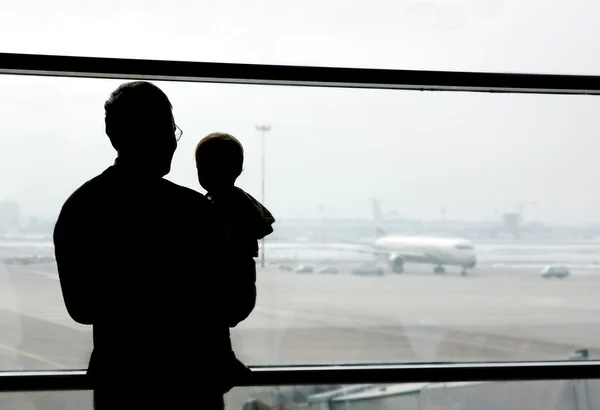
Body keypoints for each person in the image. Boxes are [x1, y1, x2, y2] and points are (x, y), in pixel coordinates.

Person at [53, 82, 241, 409]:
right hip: (190, 385)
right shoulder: (194, 211)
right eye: (172, 130)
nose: (174, 142)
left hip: (122, 384)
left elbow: (81, 310)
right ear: (158, 133)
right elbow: (229, 305)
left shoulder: (80, 208)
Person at [194, 132, 275, 378]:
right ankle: (224, 359)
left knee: (212, 319)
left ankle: (223, 360)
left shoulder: (215, 204)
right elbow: (265, 223)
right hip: (241, 276)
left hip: (228, 276)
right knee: (215, 324)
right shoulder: (241, 200)